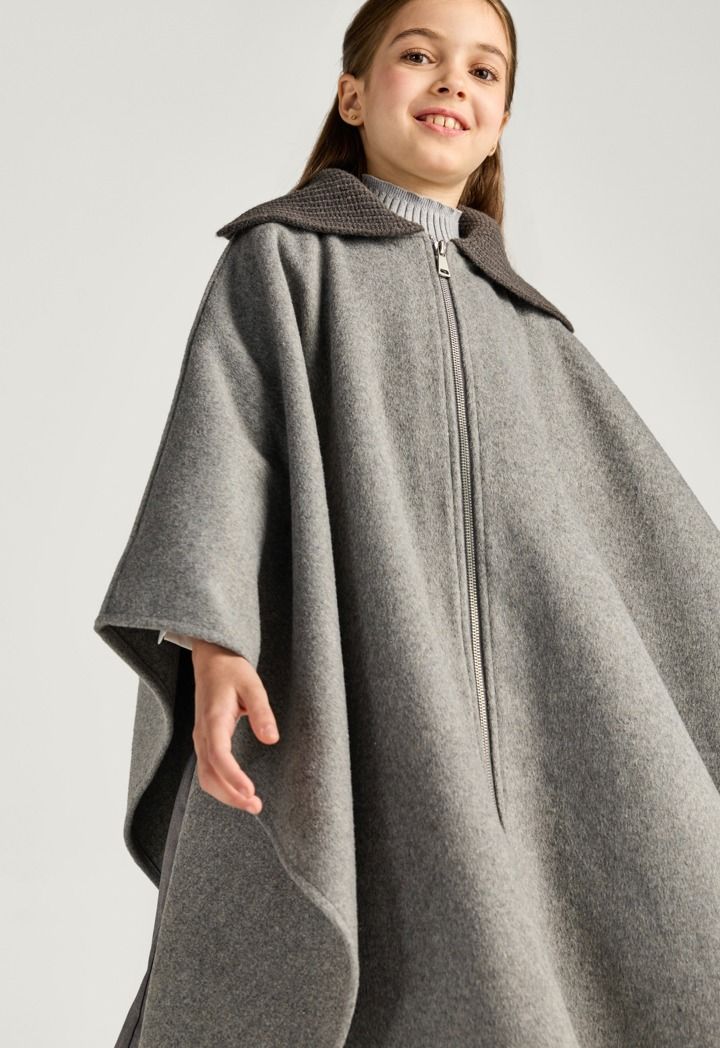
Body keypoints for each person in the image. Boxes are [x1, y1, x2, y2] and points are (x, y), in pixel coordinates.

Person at [94, 1, 720, 1046]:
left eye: (485, 71)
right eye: (419, 55)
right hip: (355, 693)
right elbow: (226, 441)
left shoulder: (530, 327)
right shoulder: (283, 262)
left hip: (542, 725)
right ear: (352, 93)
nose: (452, 82)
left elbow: (641, 535)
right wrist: (213, 641)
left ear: (501, 121)